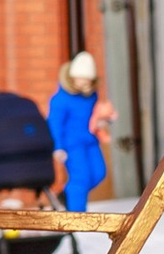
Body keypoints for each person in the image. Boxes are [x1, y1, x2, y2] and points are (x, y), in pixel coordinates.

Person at [46, 47, 114, 213]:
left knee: (99, 173)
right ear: (72, 78)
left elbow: (93, 115)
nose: (85, 83)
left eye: (88, 80)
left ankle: (66, 194)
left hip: (90, 141)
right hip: (71, 144)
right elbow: (54, 123)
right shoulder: (61, 99)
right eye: (81, 79)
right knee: (80, 178)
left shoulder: (91, 96)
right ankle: (77, 215)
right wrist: (58, 147)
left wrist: (102, 120)